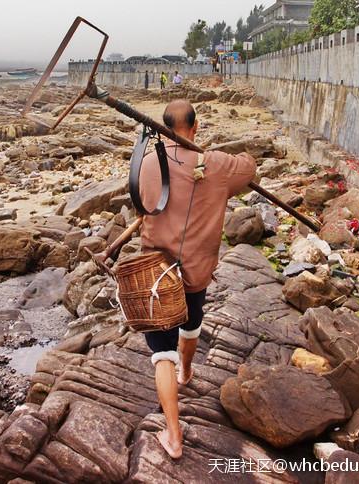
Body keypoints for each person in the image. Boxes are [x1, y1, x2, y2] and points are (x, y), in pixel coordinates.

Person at [99, 100, 255, 459]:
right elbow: (250, 168)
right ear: (195, 126)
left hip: (155, 274)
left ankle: (174, 434)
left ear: (163, 127)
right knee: (191, 323)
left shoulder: (146, 161)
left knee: (161, 355)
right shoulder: (214, 164)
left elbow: (141, 204)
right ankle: (187, 371)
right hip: (196, 272)